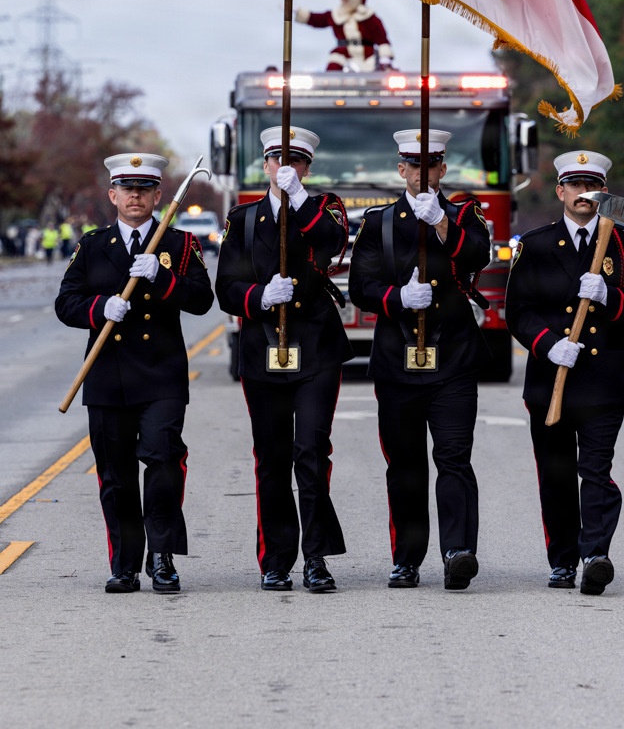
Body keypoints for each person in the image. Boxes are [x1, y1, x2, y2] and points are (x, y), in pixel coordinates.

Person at [55, 152, 214, 594]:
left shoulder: (179, 244)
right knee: (116, 475)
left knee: (163, 460)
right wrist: (100, 307)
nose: (135, 196)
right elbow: (65, 303)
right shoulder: (92, 245)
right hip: (108, 376)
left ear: (159, 195)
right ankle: (124, 564)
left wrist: (161, 278)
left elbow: (202, 300)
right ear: (113, 195)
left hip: (161, 374)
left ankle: (162, 556)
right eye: (127, 188)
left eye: (145, 189)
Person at [505, 150, 624, 595]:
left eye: (592, 186)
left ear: (604, 193)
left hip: (603, 382)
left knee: (595, 471)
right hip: (549, 381)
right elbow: (518, 311)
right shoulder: (535, 245)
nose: (583, 193)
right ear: (560, 191)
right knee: (555, 476)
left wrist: (610, 296)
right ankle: (563, 561)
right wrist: (549, 345)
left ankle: (595, 555)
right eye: (574, 185)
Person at [348, 129, 491, 591]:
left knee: (454, 458)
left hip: (453, 359)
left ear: (442, 169)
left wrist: (443, 224)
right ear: (401, 170)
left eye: (431, 164)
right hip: (397, 360)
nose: (422, 172)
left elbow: (479, 256)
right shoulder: (379, 222)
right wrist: (397, 298)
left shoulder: (464, 215)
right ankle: (407, 558)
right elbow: (360, 286)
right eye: (414, 164)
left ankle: (458, 552)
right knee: (405, 465)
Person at [215, 125, 352, 593]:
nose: (284, 167)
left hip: (315, 348)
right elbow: (225, 289)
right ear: (265, 165)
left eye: (295, 161)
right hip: (263, 348)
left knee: (311, 452)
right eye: (277, 159)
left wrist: (299, 199)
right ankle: (275, 559)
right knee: (271, 458)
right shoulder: (243, 219)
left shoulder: (325, 207)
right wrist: (259, 296)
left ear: (307, 168)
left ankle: (316, 557)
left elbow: (331, 243)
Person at [295, 0, 394, 71]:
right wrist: (298, 11)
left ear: (354, 0)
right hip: (343, 53)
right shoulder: (336, 15)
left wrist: (385, 58)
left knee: (373, 75)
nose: (342, 1)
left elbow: (382, 39)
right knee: (333, 72)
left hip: (367, 55)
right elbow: (317, 19)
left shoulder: (369, 17)